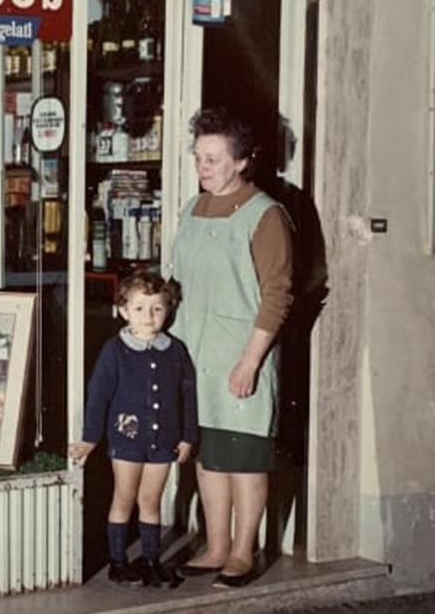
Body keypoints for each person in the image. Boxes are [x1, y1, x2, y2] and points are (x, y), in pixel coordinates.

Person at [170, 107, 293, 588]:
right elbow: (180, 280)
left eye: (214, 159)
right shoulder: (190, 209)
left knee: (244, 457)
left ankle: (244, 551)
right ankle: (216, 545)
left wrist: (250, 362)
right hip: (193, 351)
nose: (203, 168)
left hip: (241, 356)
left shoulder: (265, 215)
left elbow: (277, 296)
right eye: (199, 157)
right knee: (209, 455)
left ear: (242, 161)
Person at [70, 270, 198, 587]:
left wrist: (188, 436)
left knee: (151, 501)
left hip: (164, 441)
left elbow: (188, 395)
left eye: (157, 308)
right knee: (124, 497)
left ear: (168, 310)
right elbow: (98, 395)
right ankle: (118, 563)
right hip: (126, 440)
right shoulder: (115, 350)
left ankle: (152, 560)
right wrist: (90, 439)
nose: (148, 316)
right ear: (124, 310)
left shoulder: (176, 351)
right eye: (139, 308)